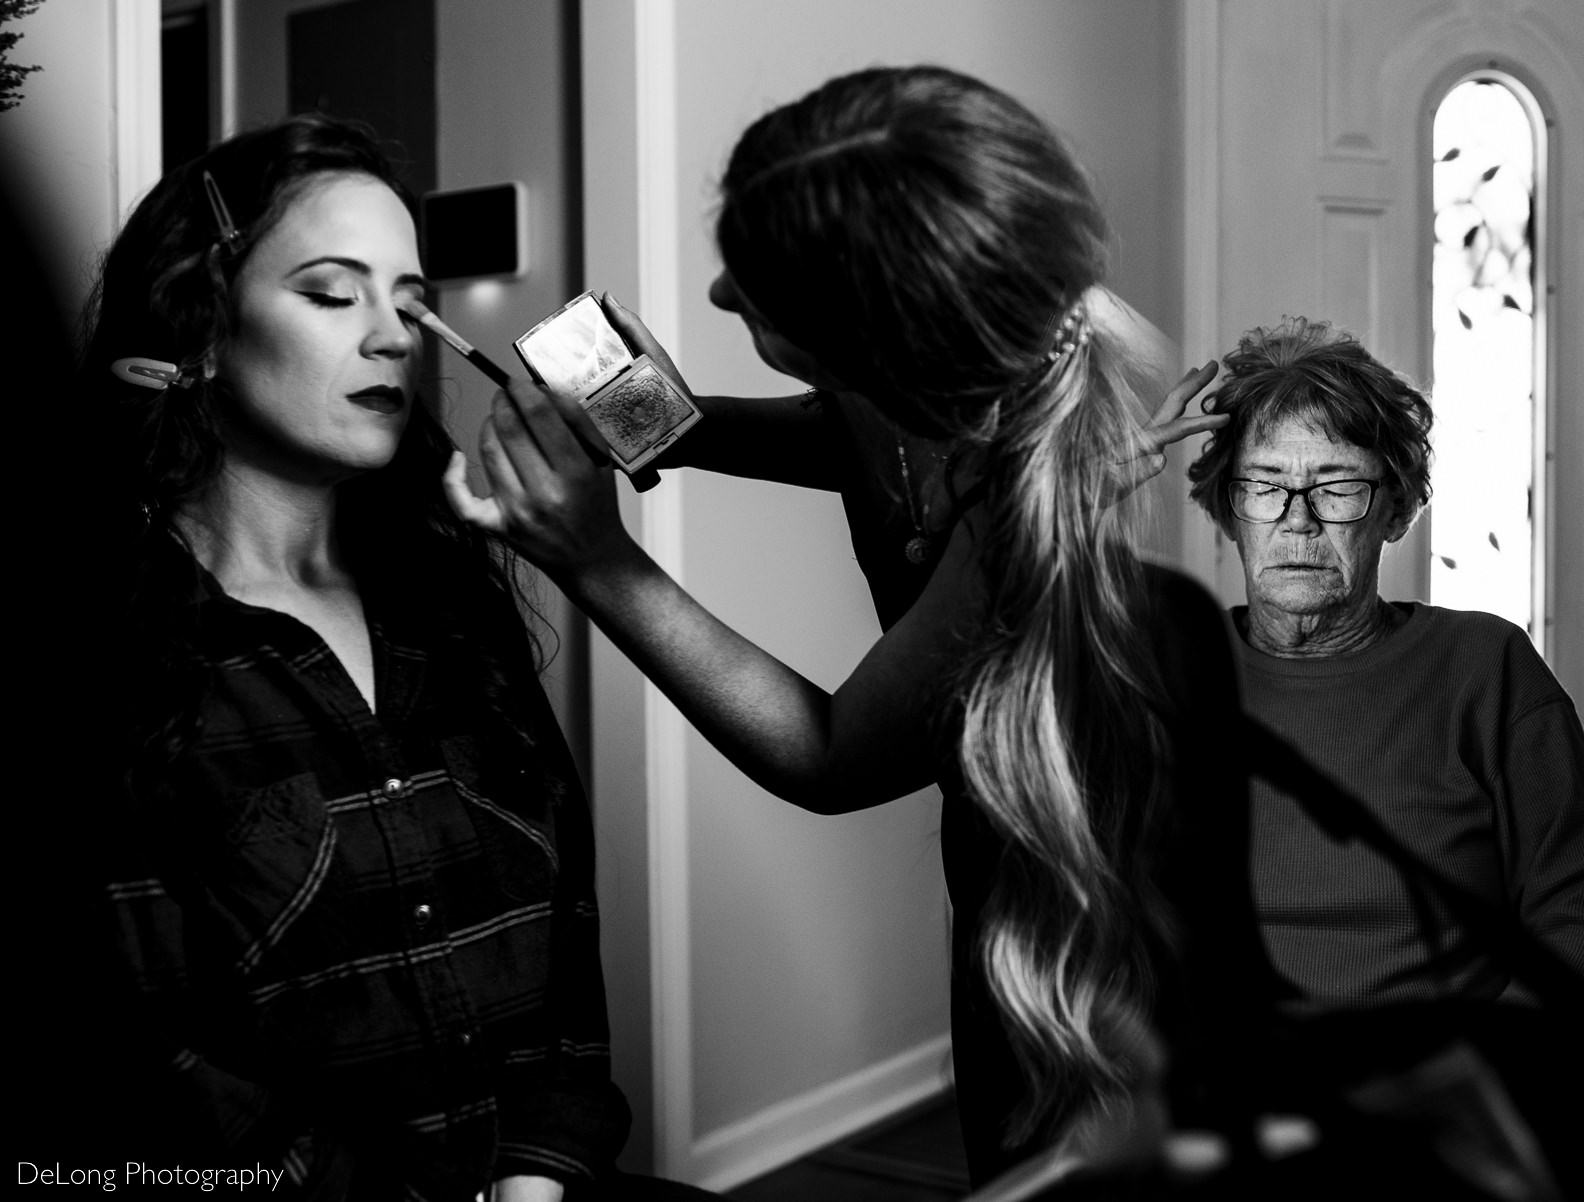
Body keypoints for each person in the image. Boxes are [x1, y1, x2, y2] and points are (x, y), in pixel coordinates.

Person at [447, 66, 1265, 1184]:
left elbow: (828, 753)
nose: (724, 297)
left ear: (876, 341)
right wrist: (667, 425)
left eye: (759, 292)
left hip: (1083, 918)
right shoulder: (932, 366)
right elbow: (847, 437)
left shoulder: (1021, 503)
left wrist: (597, 561)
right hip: (997, 857)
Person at [83, 115, 703, 1201]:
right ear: (204, 330)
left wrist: (534, 1179)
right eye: (331, 293)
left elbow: (564, 966)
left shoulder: (453, 606)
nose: (394, 336)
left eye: (411, 300)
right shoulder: (122, 649)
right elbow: (147, 1065)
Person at [1185, 316, 1584, 1009]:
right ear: (1228, 510)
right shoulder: (1169, 670)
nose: (1297, 520)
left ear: (1397, 509)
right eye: (1264, 485)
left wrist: (1491, 1073)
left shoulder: (1483, 668)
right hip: (1235, 1085)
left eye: (1337, 486)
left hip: (1444, 1080)